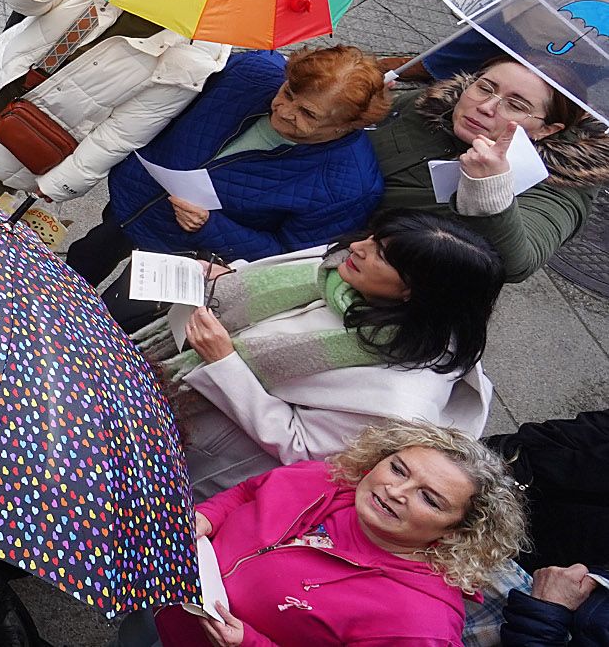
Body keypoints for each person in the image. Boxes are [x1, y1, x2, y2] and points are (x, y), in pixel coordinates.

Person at [144, 214, 501, 497]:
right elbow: (266, 291)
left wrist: (223, 363)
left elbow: (302, 449)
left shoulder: (403, 395)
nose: (359, 247)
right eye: (374, 238)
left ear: (416, 291)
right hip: (154, 386)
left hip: (183, 450)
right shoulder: (340, 268)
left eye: (383, 255)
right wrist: (230, 275)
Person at [150, 424, 524, 647]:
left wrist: (249, 644)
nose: (396, 491)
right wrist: (208, 517)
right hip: (168, 605)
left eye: (429, 498)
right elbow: (249, 491)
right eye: (398, 468)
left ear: (458, 531)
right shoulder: (335, 477)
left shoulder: (421, 625)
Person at [67, 44, 393, 279]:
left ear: (348, 125)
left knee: (116, 316)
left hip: (186, 255)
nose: (283, 110)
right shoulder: (251, 74)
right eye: (289, 92)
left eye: (307, 114)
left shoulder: (348, 187)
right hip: (134, 199)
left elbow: (286, 257)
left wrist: (211, 227)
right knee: (83, 260)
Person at [0, 0, 232, 220]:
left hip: (36, 130)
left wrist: (63, 182)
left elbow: (123, 132)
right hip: (6, 86)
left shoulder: (196, 56)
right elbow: (25, 5)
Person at [371, 62, 609, 283]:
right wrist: (356, 109)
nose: (485, 107)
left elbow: (516, 264)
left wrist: (489, 189)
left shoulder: (559, 182)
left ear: (546, 129)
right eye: (485, 87)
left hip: (381, 279)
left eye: (515, 106)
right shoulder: (431, 105)